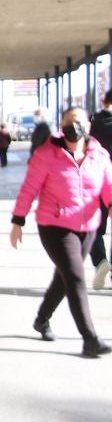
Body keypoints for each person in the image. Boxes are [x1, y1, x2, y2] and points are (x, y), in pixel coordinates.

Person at [11, 107, 112, 358]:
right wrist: (18, 220)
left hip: (88, 226)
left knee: (63, 278)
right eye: (68, 122)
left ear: (87, 125)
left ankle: (42, 318)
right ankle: (90, 339)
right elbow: (29, 187)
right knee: (76, 277)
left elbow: (108, 186)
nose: (72, 126)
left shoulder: (99, 155)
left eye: (77, 122)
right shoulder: (47, 153)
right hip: (54, 225)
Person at [88, 91, 112, 289]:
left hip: (99, 178)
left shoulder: (93, 122)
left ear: (104, 101)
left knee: (94, 227)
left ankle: (100, 261)